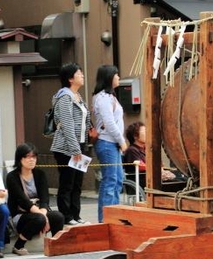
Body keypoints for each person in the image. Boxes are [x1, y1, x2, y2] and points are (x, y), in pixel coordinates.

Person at [50, 63, 92, 226]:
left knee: (77, 183)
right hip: (66, 148)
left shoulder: (78, 96)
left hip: (79, 145)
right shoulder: (64, 97)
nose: (82, 75)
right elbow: (67, 124)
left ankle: (76, 214)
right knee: (67, 182)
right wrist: (75, 150)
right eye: (79, 73)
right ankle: (66, 216)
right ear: (70, 78)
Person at [6, 143, 65, 255]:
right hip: (20, 215)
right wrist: (43, 216)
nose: (31, 160)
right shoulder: (12, 177)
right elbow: (23, 201)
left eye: (34, 157)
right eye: (27, 157)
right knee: (39, 219)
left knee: (58, 216)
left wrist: (43, 213)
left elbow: (44, 198)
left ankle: (55, 245)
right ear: (20, 159)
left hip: (38, 213)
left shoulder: (40, 174)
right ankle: (18, 246)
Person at [92, 65, 126, 222]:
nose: (118, 77)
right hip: (107, 143)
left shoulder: (110, 97)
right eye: (116, 75)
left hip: (112, 144)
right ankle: (105, 220)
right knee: (110, 180)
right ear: (108, 77)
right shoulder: (102, 98)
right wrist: (122, 140)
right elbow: (110, 123)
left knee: (118, 179)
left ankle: (113, 216)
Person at [123, 121, 180, 188]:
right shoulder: (132, 150)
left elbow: (159, 164)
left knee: (180, 178)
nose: (148, 134)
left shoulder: (146, 149)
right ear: (135, 136)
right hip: (143, 180)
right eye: (144, 132)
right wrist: (157, 170)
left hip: (153, 177)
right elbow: (141, 166)